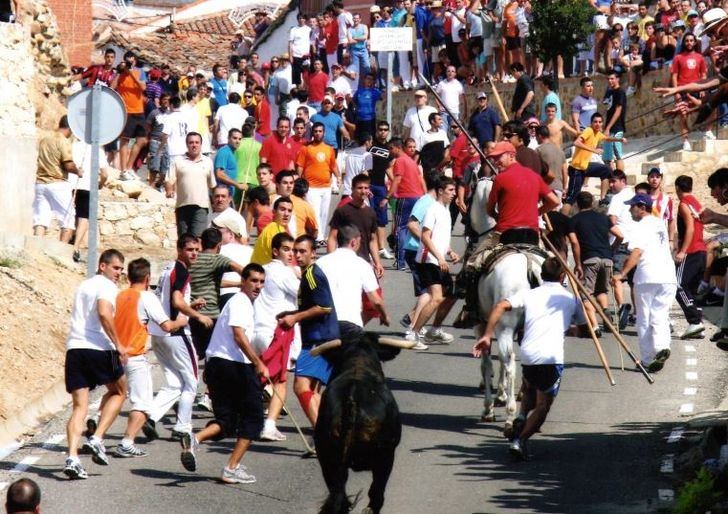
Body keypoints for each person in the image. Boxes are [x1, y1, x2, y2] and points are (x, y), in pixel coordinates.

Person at [472, 257, 587, 461]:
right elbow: (585, 331)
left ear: (540, 274)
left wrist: (487, 335)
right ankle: (520, 440)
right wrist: (575, 324)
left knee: (529, 387)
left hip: (527, 355)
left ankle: (522, 416)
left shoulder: (528, 293)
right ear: (563, 277)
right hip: (551, 358)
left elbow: (499, 306)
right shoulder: (571, 299)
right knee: (543, 406)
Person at [180, 263, 268, 484]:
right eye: (254, 281)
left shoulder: (243, 303)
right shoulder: (240, 302)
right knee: (255, 417)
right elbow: (238, 335)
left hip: (219, 364)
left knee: (227, 420)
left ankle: (195, 439)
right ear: (244, 282)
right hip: (233, 365)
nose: (258, 286)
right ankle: (231, 468)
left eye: (261, 282)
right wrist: (258, 362)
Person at [113, 258, 188, 457]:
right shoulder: (147, 297)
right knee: (143, 404)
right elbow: (166, 325)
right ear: (147, 278)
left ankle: (95, 433)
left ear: (128, 276)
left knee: (114, 396)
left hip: (114, 355)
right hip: (135, 356)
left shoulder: (118, 295)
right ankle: (127, 442)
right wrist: (183, 320)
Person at [63, 249, 127, 480]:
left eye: (121, 269)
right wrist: (118, 343)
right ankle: (97, 438)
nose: (119, 273)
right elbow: (103, 312)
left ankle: (72, 457)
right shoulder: (107, 286)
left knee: (79, 406)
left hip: (75, 348)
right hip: (98, 348)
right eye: (116, 267)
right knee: (120, 391)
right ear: (103, 266)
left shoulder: (83, 285)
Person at [146, 235, 212, 439]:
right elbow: (176, 301)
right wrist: (197, 315)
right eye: (190, 249)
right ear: (180, 249)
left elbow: (168, 300)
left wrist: (190, 305)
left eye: (197, 250)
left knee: (175, 382)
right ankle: (182, 427)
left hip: (158, 333)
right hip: (177, 333)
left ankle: (149, 417)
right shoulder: (181, 271)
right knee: (191, 381)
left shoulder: (168, 269)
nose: (194, 253)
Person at [277, 235, 339, 426]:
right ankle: (331, 431)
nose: (297, 255)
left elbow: (324, 307)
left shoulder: (312, 274)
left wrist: (295, 318)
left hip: (318, 340)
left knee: (301, 387)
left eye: (302, 251)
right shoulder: (307, 274)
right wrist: (293, 312)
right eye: (295, 251)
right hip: (323, 337)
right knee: (312, 391)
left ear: (313, 253)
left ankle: (323, 437)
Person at [611, 193, 677, 372]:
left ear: (641, 207)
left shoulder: (641, 226)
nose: (630, 210)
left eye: (632, 206)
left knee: (644, 317)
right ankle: (663, 347)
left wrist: (622, 274)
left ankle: (648, 359)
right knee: (660, 314)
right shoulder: (659, 223)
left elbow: (637, 252)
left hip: (648, 275)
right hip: (668, 276)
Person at [252, 233, 300, 441]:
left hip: (257, 330)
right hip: (276, 332)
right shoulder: (284, 272)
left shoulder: (263, 270)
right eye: (287, 249)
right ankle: (269, 425)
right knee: (280, 380)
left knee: (258, 376)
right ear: (275, 251)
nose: (291, 254)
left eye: (293, 250)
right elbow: (304, 294)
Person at [408, 177, 460, 349]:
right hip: (428, 259)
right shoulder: (433, 209)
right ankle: (413, 334)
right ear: (440, 191)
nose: (453, 194)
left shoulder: (446, 210)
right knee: (436, 297)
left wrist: (450, 251)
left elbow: (441, 236)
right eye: (450, 190)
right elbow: (425, 236)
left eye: (454, 190)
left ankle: (435, 329)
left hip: (439, 259)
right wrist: (439, 257)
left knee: (452, 295)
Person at [318, 225, 390, 336]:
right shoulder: (362, 265)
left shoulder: (320, 263)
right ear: (353, 242)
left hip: (325, 323)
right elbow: (376, 301)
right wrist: (384, 316)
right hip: (350, 323)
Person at [485, 141, 559, 247]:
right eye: (494, 158)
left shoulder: (500, 178)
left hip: (505, 233)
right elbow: (555, 201)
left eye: (498, 157)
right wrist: (538, 212)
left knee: (474, 261)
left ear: (511, 155)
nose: (495, 162)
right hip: (532, 234)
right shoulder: (534, 176)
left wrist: (497, 217)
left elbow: (489, 209)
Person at [567, 191, 614, 331]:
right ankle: (605, 310)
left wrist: (578, 264)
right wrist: (612, 249)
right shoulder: (603, 218)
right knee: (602, 290)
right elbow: (620, 235)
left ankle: (594, 326)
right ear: (592, 202)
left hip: (589, 259)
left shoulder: (574, 220)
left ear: (577, 204)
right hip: (606, 258)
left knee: (586, 293)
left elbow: (574, 243)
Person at [564, 113, 625, 214]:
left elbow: (606, 138)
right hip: (576, 169)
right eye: (595, 122)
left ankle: (603, 199)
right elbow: (576, 143)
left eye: (600, 122)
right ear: (591, 123)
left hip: (585, 167)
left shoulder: (597, 133)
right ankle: (562, 222)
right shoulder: (588, 131)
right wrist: (594, 150)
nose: (597, 124)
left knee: (606, 170)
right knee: (571, 197)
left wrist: (619, 139)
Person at [33, 115, 79, 243]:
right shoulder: (63, 141)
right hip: (57, 183)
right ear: (70, 128)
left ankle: (36, 247)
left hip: (40, 183)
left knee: (40, 219)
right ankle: (62, 251)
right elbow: (68, 165)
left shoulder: (44, 139)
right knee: (68, 219)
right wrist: (78, 171)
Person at [329, 174, 384, 279]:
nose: (363, 191)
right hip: (345, 263)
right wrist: (331, 262)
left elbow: (372, 240)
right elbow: (332, 237)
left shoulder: (371, 212)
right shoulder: (342, 211)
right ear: (352, 189)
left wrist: (378, 263)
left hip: (365, 262)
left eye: (366, 188)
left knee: (372, 293)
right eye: (359, 188)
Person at [295, 121, 340, 246]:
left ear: (324, 133)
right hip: (311, 187)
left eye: (320, 131)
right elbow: (300, 167)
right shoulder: (306, 148)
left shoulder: (329, 149)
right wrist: (298, 182)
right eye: (316, 131)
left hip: (326, 186)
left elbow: (333, 165)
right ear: (312, 133)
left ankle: (320, 235)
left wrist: (338, 176)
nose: (318, 133)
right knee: (314, 212)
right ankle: (318, 237)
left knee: (324, 213)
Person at [165, 132, 216, 237]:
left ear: (201, 144)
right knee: (184, 240)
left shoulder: (208, 162)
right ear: (187, 144)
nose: (194, 145)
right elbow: (169, 180)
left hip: (201, 207)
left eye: (197, 142)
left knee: (197, 238)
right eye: (191, 142)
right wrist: (169, 190)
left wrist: (215, 203)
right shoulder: (177, 161)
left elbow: (212, 185)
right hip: (182, 206)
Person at [673, 175, 706, 338]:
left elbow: (690, 229)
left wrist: (682, 251)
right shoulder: (696, 202)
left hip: (691, 250)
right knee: (692, 289)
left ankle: (695, 321)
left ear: (677, 188)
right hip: (702, 250)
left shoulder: (684, 204)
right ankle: (697, 327)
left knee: (677, 285)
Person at [388, 137, 427, 270]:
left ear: (397, 147)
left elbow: (397, 179)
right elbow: (420, 180)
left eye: (391, 148)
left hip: (405, 197)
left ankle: (400, 261)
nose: (390, 151)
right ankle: (415, 259)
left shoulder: (400, 160)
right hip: (417, 197)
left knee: (401, 228)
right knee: (414, 228)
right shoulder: (411, 161)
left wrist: (388, 196)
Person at [69, 139, 109, 263]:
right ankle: (75, 248)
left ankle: (68, 242)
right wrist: (100, 184)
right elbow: (105, 173)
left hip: (71, 184)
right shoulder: (98, 149)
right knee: (84, 217)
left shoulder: (73, 146)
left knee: (73, 215)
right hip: (88, 186)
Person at [669, 32, 710, 151]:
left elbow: (703, 74)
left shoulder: (700, 57)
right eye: (687, 40)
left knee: (707, 108)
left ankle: (708, 131)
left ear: (695, 42)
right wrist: (675, 92)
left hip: (697, 88)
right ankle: (685, 141)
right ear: (684, 42)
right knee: (683, 115)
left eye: (691, 40)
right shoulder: (678, 57)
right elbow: (674, 76)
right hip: (682, 90)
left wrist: (703, 88)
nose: (689, 43)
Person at [606, 169, 637, 324]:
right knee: (634, 281)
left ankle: (621, 306)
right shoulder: (635, 196)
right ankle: (637, 313)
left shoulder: (617, 198)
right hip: (636, 243)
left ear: (623, 181)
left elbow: (612, 220)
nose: (611, 184)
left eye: (614, 181)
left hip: (620, 242)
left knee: (616, 277)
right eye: (610, 181)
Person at [112, 51, 147, 176]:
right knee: (125, 140)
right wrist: (120, 72)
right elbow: (112, 87)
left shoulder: (139, 72)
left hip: (139, 110)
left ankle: (129, 166)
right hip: (126, 111)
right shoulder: (121, 73)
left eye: (131, 59)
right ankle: (123, 170)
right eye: (127, 59)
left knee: (142, 140)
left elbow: (143, 88)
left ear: (135, 60)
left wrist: (131, 73)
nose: (128, 61)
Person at [251, 196, 294, 265]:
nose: (286, 214)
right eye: (282, 209)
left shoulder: (278, 229)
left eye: (289, 211)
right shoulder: (273, 231)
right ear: (274, 212)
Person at [602, 70, 628, 171]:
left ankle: (620, 178)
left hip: (616, 127)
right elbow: (607, 107)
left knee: (617, 155)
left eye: (612, 79)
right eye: (608, 79)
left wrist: (608, 127)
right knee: (607, 157)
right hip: (608, 127)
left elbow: (618, 110)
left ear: (617, 79)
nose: (610, 81)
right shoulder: (609, 92)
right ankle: (612, 177)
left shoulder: (620, 92)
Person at [289, 13, 312, 86]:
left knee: (306, 75)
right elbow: (290, 43)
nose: (301, 20)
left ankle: (305, 91)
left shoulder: (309, 29)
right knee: (296, 77)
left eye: (302, 18)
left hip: (306, 56)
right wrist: (290, 56)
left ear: (305, 19)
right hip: (296, 55)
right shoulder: (293, 30)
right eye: (299, 18)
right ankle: (298, 91)